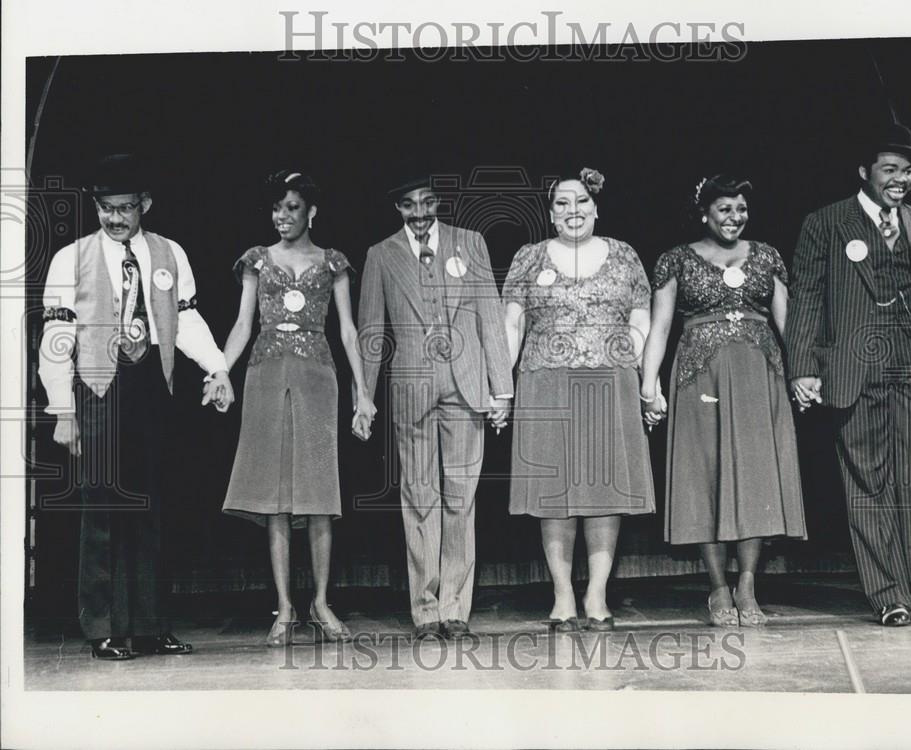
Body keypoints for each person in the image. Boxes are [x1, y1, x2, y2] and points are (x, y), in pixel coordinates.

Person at [39, 152, 235, 660]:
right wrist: (62, 408)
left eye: (125, 207)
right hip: (98, 388)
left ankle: (149, 625)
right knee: (103, 506)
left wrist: (217, 368)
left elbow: (187, 320)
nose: (115, 218)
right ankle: (103, 627)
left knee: (149, 506)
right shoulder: (71, 258)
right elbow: (57, 336)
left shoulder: (170, 253)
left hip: (152, 385)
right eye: (106, 208)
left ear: (144, 204)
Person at [785, 124, 911, 627]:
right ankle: (890, 595)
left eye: (907, 171)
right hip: (854, 372)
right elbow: (805, 297)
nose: (901, 179)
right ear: (864, 172)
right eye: (891, 170)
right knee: (868, 485)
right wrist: (803, 367)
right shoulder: (826, 223)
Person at [641, 174, 807, 628]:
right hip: (700, 376)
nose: (735, 218)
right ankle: (717, 586)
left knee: (756, 479)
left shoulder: (767, 255)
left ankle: (748, 582)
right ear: (704, 214)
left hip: (759, 375)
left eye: (741, 209)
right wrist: (648, 383)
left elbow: (787, 322)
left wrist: (802, 374)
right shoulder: (676, 259)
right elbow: (659, 327)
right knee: (705, 477)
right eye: (725, 210)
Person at [217, 170, 375, 646]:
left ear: (311, 212)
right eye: (276, 209)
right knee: (275, 497)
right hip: (266, 375)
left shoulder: (333, 263)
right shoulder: (257, 260)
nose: (281, 217)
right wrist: (220, 368)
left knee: (319, 493)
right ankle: (285, 607)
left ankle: (320, 602)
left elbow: (348, 331)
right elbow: (243, 325)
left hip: (316, 379)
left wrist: (362, 392)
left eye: (291, 208)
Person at [356, 175, 513, 640]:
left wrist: (500, 390)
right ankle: (425, 610)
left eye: (427, 203)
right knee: (420, 499)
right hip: (412, 391)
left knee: (461, 500)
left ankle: (455, 609)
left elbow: (490, 316)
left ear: (438, 202)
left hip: (467, 387)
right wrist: (363, 399)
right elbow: (370, 333)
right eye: (409, 205)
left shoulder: (471, 244)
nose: (420, 213)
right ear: (398, 209)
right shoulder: (381, 256)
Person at [503, 168, 656, 632]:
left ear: (596, 207)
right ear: (551, 214)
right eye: (563, 204)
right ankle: (563, 591)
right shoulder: (529, 258)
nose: (574, 211)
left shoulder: (624, 255)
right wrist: (501, 384)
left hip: (610, 379)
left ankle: (597, 592)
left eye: (582, 202)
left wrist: (635, 364)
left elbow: (642, 319)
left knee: (604, 489)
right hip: (544, 381)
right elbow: (511, 324)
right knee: (554, 493)